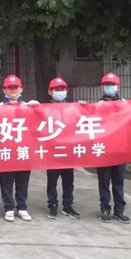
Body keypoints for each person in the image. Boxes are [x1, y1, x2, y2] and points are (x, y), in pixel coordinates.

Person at [96, 73, 131, 224]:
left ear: (118, 86)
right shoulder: (98, 105)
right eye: (107, 84)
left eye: (112, 84)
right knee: (104, 181)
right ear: (102, 87)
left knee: (118, 181)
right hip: (104, 149)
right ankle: (105, 208)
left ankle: (119, 209)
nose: (110, 87)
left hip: (120, 149)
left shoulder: (125, 104)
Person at [0, 75, 39, 222]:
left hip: (23, 149)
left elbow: (38, 124)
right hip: (6, 149)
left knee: (22, 180)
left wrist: (37, 109)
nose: (13, 90)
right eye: (10, 88)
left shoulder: (28, 106)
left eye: (16, 87)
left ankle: (22, 207)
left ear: (21, 89)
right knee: (6, 181)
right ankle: (9, 207)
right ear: (4, 90)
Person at [45, 77, 83, 220]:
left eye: (62, 89)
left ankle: (68, 205)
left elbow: (82, 123)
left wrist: (84, 107)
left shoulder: (73, 109)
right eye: (56, 89)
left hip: (68, 150)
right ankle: (53, 204)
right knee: (52, 180)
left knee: (68, 180)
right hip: (53, 150)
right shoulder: (45, 109)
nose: (60, 92)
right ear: (50, 92)